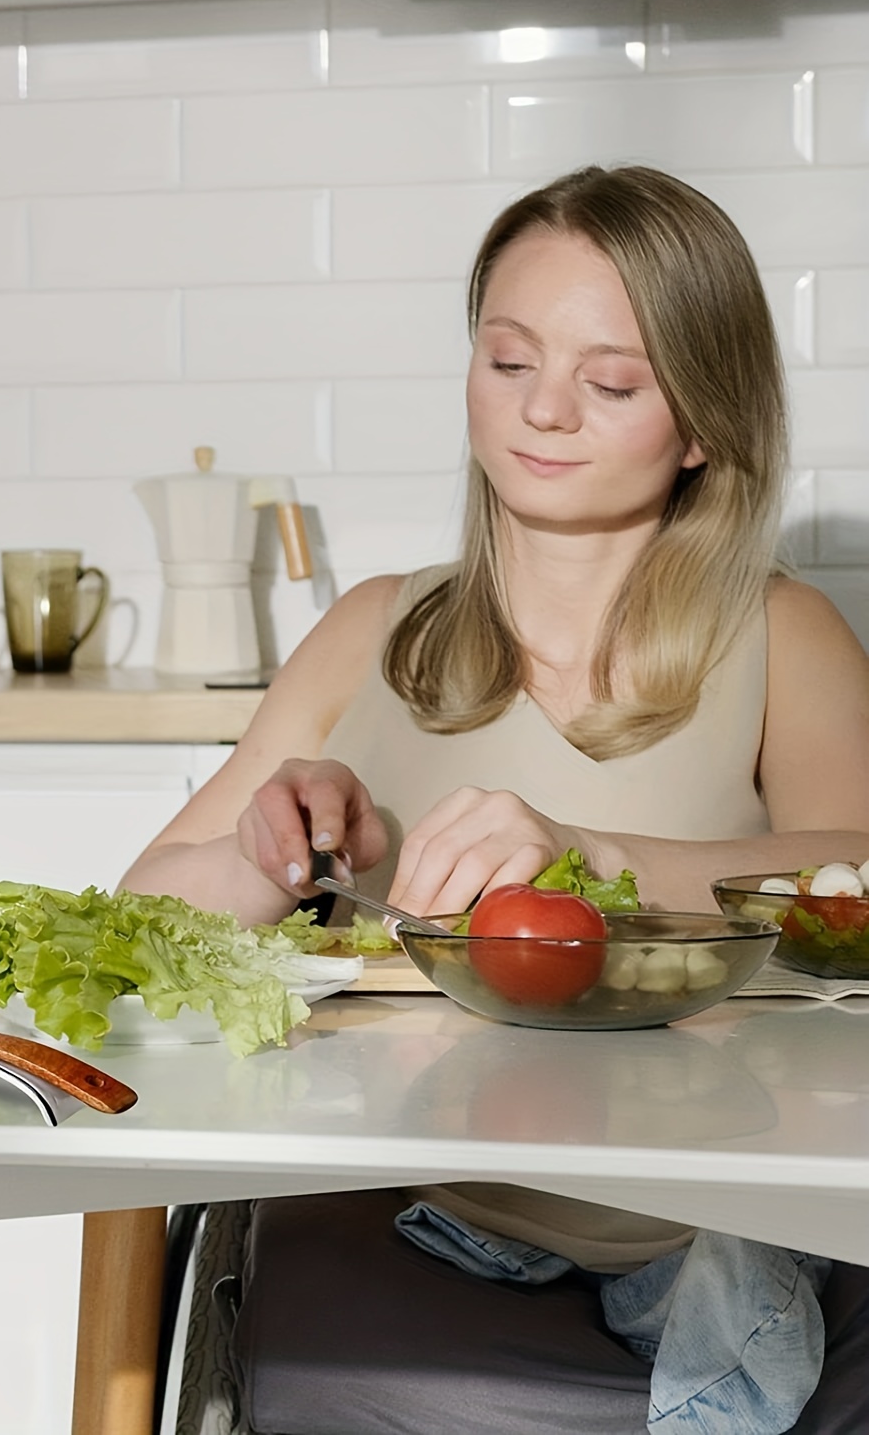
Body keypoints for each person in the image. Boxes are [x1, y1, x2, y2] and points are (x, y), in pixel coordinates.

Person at [121, 164, 869, 1435]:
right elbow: (136, 913)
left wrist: (587, 853)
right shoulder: (371, 629)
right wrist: (273, 855)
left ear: (701, 424)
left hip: (713, 1233)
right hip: (418, 1208)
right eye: (510, 360)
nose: (547, 412)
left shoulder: (778, 633)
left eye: (613, 381)